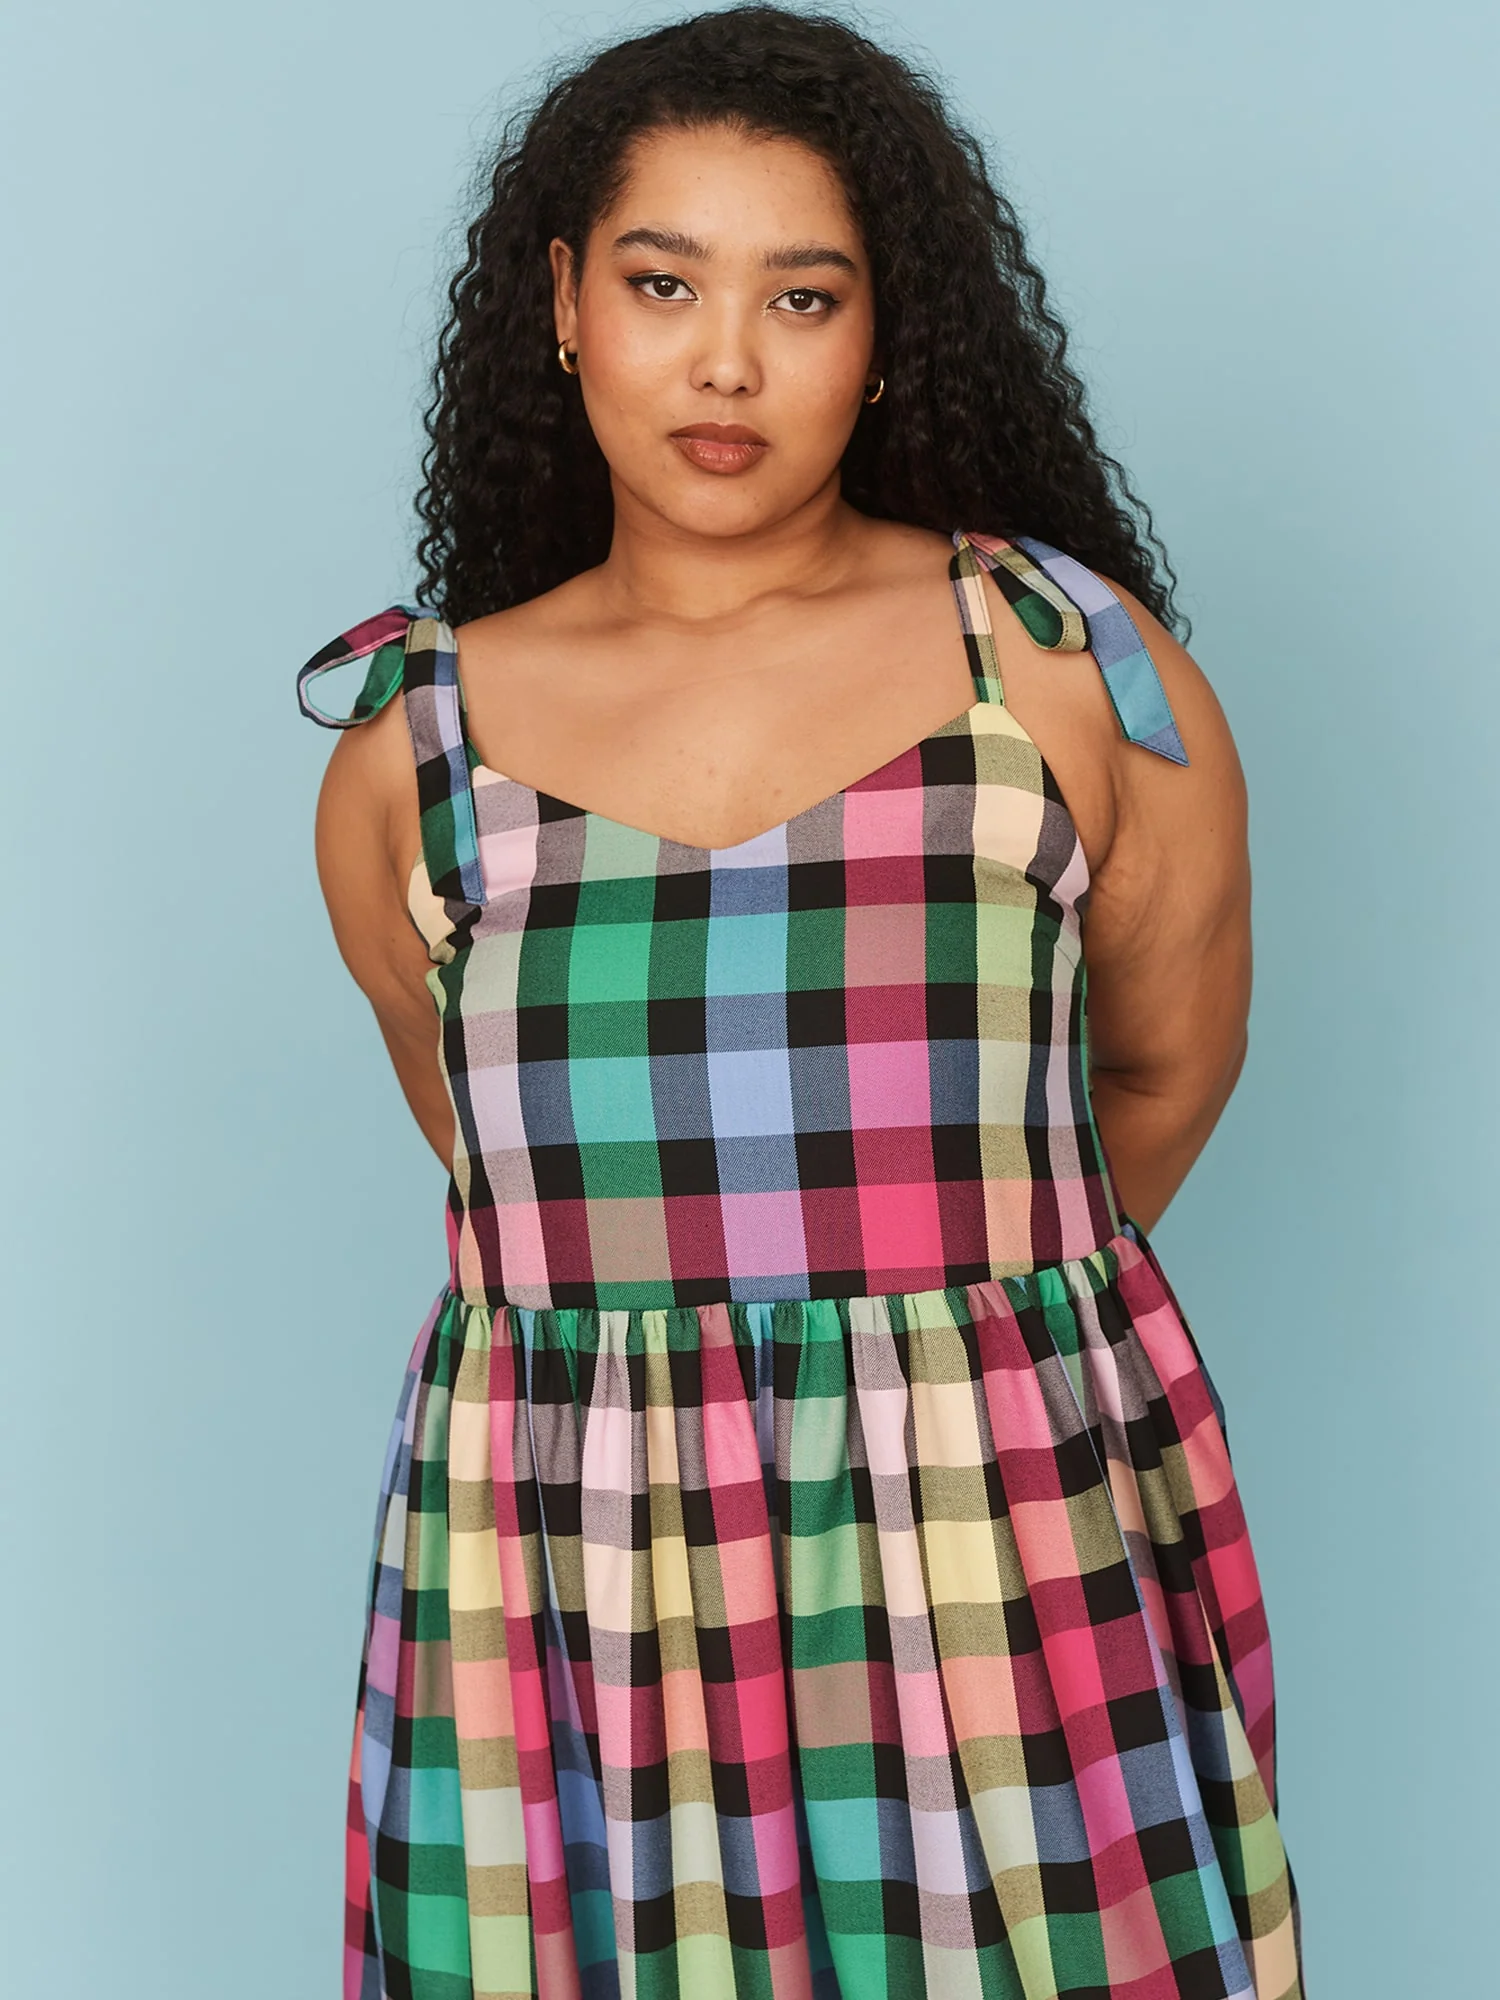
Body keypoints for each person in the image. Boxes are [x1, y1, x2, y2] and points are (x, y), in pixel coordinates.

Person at [299, 9, 1301, 1996]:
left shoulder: (1070, 678)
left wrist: (936, 1357)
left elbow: (1161, 1074)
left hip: (1000, 1533)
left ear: (885, 329)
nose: (729, 364)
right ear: (564, 303)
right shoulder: (414, 750)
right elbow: (500, 1166)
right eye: (664, 283)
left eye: (805, 296)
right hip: (573, 1574)